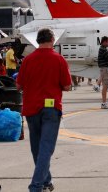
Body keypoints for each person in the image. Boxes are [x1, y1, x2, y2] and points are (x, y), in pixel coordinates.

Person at [16, 28, 71, 192]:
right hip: (51, 108)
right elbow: (67, 86)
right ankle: (36, 185)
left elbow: (18, 85)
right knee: (46, 148)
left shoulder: (28, 60)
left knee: (37, 148)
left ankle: (46, 181)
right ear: (52, 40)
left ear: (37, 41)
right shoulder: (59, 59)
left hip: (32, 107)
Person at [97, 36, 108, 109]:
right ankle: (104, 103)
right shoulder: (103, 49)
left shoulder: (103, 49)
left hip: (105, 68)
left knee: (105, 87)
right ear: (104, 42)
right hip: (105, 69)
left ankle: (104, 103)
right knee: (105, 87)